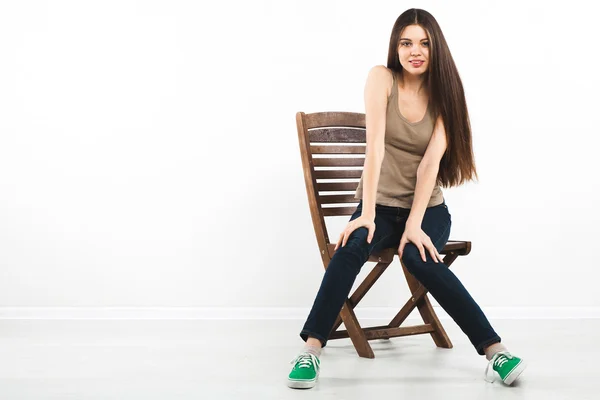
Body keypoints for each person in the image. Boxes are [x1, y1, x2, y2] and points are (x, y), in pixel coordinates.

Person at [287, 8, 527, 389]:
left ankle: (496, 351)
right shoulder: (381, 78)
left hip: (427, 208)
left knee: (421, 256)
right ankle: (311, 351)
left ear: (436, 48)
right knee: (351, 247)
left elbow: (431, 163)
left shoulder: (447, 94)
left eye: (424, 43)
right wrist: (365, 214)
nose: (415, 51)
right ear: (395, 47)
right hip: (378, 205)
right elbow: (375, 148)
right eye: (406, 42)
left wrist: (414, 224)